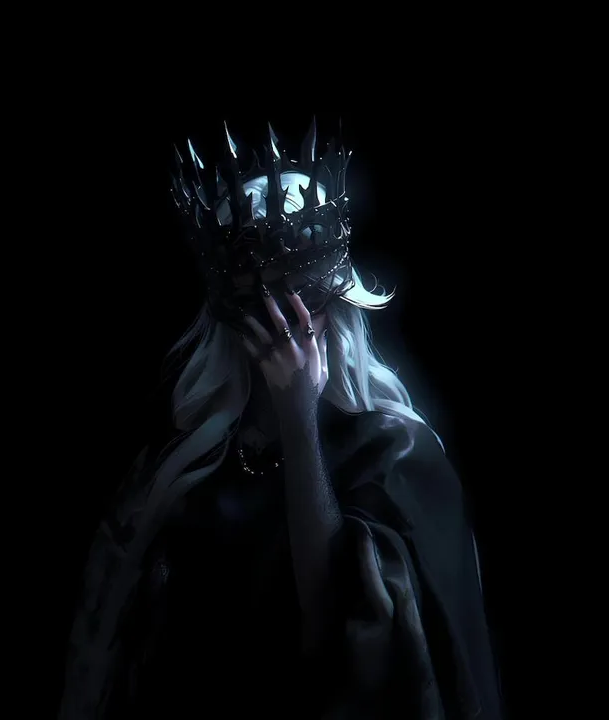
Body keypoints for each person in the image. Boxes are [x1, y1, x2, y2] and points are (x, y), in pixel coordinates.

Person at [63, 122, 502, 719]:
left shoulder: (398, 457)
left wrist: (299, 419)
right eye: (259, 303)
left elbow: (350, 639)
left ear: (334, 304)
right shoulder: (180, 465)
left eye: (297, 301)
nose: (281, 324)